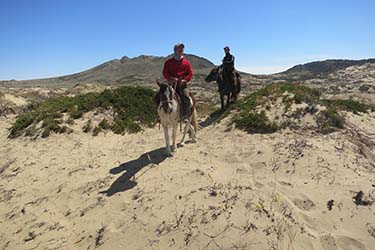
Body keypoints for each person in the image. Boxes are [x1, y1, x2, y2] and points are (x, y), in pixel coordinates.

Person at [162, 43, 193, 120]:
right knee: (160, 97)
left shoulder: (186, 63)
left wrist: (184, 80)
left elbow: (190, 73)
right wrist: (170, 79)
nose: (181, 50)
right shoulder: (168, 62)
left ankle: (185, 115)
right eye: (179, 49)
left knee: (186, 98)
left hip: (182, 85)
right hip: (171, 85)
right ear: (175, 50)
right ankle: (161, 116)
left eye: (182, 49)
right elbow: (165, 72)